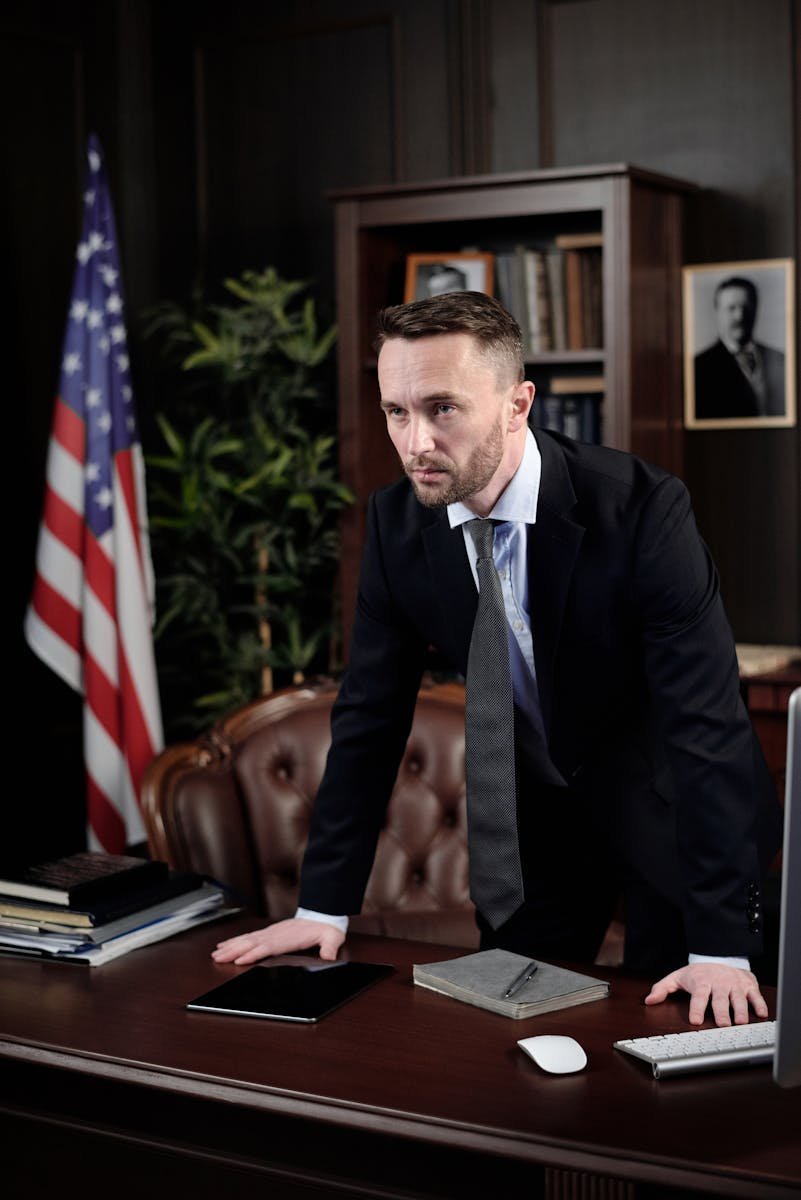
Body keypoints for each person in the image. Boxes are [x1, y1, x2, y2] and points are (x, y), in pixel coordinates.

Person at [214, 291, 782, 1028]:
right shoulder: (395, 525)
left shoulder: (642, 511)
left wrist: (723, 945)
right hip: (531, 830)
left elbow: (705, 728)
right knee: (507, 1043)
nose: (415, 442)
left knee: (683, 1032)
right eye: (396, 412)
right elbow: (368, 717)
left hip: (670, 812)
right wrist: (324, 904)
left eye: (442, 409)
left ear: (517, 405)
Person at [694, 275, 786, 419]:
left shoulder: (782, 360)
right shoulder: (698, 368)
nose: (740, 316)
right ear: (717, 312)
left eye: (746, 307)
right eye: (731, 308)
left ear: (756, 309)